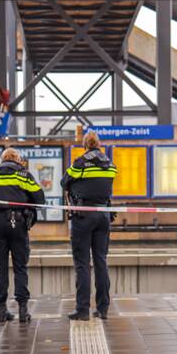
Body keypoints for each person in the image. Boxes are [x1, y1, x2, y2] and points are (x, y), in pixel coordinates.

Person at [0, 148, 46, 323]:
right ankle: (23, 311)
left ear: (2, 160)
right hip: (18, 224)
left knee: (0, 268)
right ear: (17, 159)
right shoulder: (24, 175)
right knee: (20, 267)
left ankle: (2, 310)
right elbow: (40, 199)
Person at [62, 132, 117, 321]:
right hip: (103, 215)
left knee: (82, 264)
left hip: (83, 215)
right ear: (99, 145)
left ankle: (82, 310)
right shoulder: (109, 164)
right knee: (101, 261)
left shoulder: (80, 163)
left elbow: (64, 181)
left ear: (85, 145)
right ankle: (103, 309)